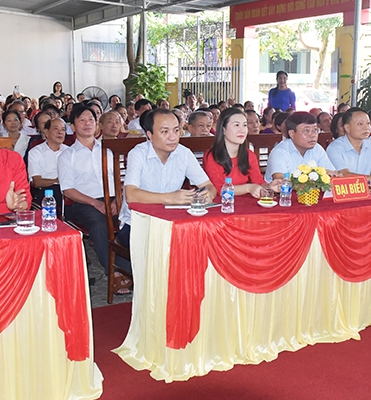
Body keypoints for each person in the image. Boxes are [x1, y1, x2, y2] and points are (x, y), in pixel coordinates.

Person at [118, 109, 216, 250]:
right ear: (150, 135)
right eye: (165, 132)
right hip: (137, 224)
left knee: (207, 238)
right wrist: (170, 198)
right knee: (168, 246)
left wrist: (206, 196)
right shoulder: (138, 154)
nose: (172, 137)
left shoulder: (184, 153)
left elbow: (209, 186)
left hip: (173, 222)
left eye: (176, 130)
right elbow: (131, 195)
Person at [58, 105, 119, 275]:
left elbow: (122, 180)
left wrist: (117, 201)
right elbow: (68, 190)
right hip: (85, 203)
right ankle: (114, 272)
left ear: (97, 124)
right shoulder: (67, 156)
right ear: (72, 127)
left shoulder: (109, 151)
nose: (87, 124)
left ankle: (134, 270)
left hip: (114, 200)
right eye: (82, 120)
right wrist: (94, 203)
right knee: (100, 224)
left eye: (91, 120)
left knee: (134, 219)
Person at [203, 108, 270, 197]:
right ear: (223, 129)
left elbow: (258, 181)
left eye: (244, 125)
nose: (242, 130)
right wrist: (248, 188)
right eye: (236, 125)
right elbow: (218, 188)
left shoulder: (249, 155)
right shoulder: (211, 156)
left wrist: (269, 186)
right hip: (223, 205)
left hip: (245, 205)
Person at [326, 108, 371, 183]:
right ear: (347, 128)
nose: (366, 128)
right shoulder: (334, 148)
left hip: (367, 191)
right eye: (360, 124)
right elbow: (344, 175)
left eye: (368, 123)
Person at [265, 112, 341, 181]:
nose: (313, 135)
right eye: (306, 131)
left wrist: (332, 174)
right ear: (292, 134)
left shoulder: (317, 149)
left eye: (315, 130)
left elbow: (331, 172)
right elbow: (280, 180)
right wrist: (317, 177)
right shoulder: (279, 152)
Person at [28, 117, 67, 203]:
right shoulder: (36, 152)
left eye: (63, 130)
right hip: (48, 191)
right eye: (56, 129)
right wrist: (56, 181)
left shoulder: (70, 151)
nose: (60, 132)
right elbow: (37, 182)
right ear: (46, 132)